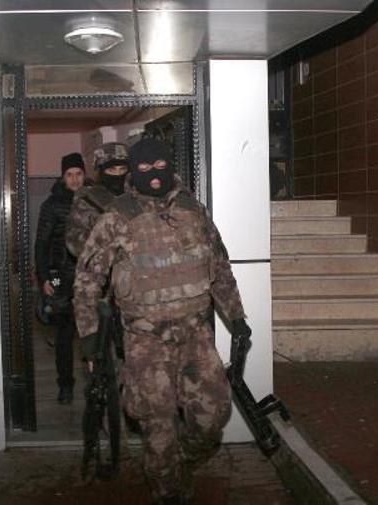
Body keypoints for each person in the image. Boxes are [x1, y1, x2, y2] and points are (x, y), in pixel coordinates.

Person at [74, 138, 252, 504]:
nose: (153, 175)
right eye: (143, 168)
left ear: (170, 166)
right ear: (133, 172)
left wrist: (236, 315)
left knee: (214, 416)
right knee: (158, 425)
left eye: (159, 166)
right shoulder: (118, 216)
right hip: (146, 340)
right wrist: (90, 339)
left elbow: (219, 267)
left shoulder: (193, 210)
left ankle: (179, 463)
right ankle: (168, 490)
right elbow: (88, 278)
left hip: (195, 334)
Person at [35, 152, 85, 405]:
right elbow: (41, 245)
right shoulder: (52, 205)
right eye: (69, 174)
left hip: (91, 279)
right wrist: (44, 278)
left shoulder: (95, 200)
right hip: (60, 279)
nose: (74, 179)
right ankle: (65, 386)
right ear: (63, 177)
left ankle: (97, 386)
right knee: (64, 336)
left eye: (79, 174)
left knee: (92, 335)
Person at [65, 142, 129, 258]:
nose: (118, 174)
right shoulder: (88, 200)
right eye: (112, 170)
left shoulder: (135, 196)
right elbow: (74, 242)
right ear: (101, 171)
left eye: (122, 169)